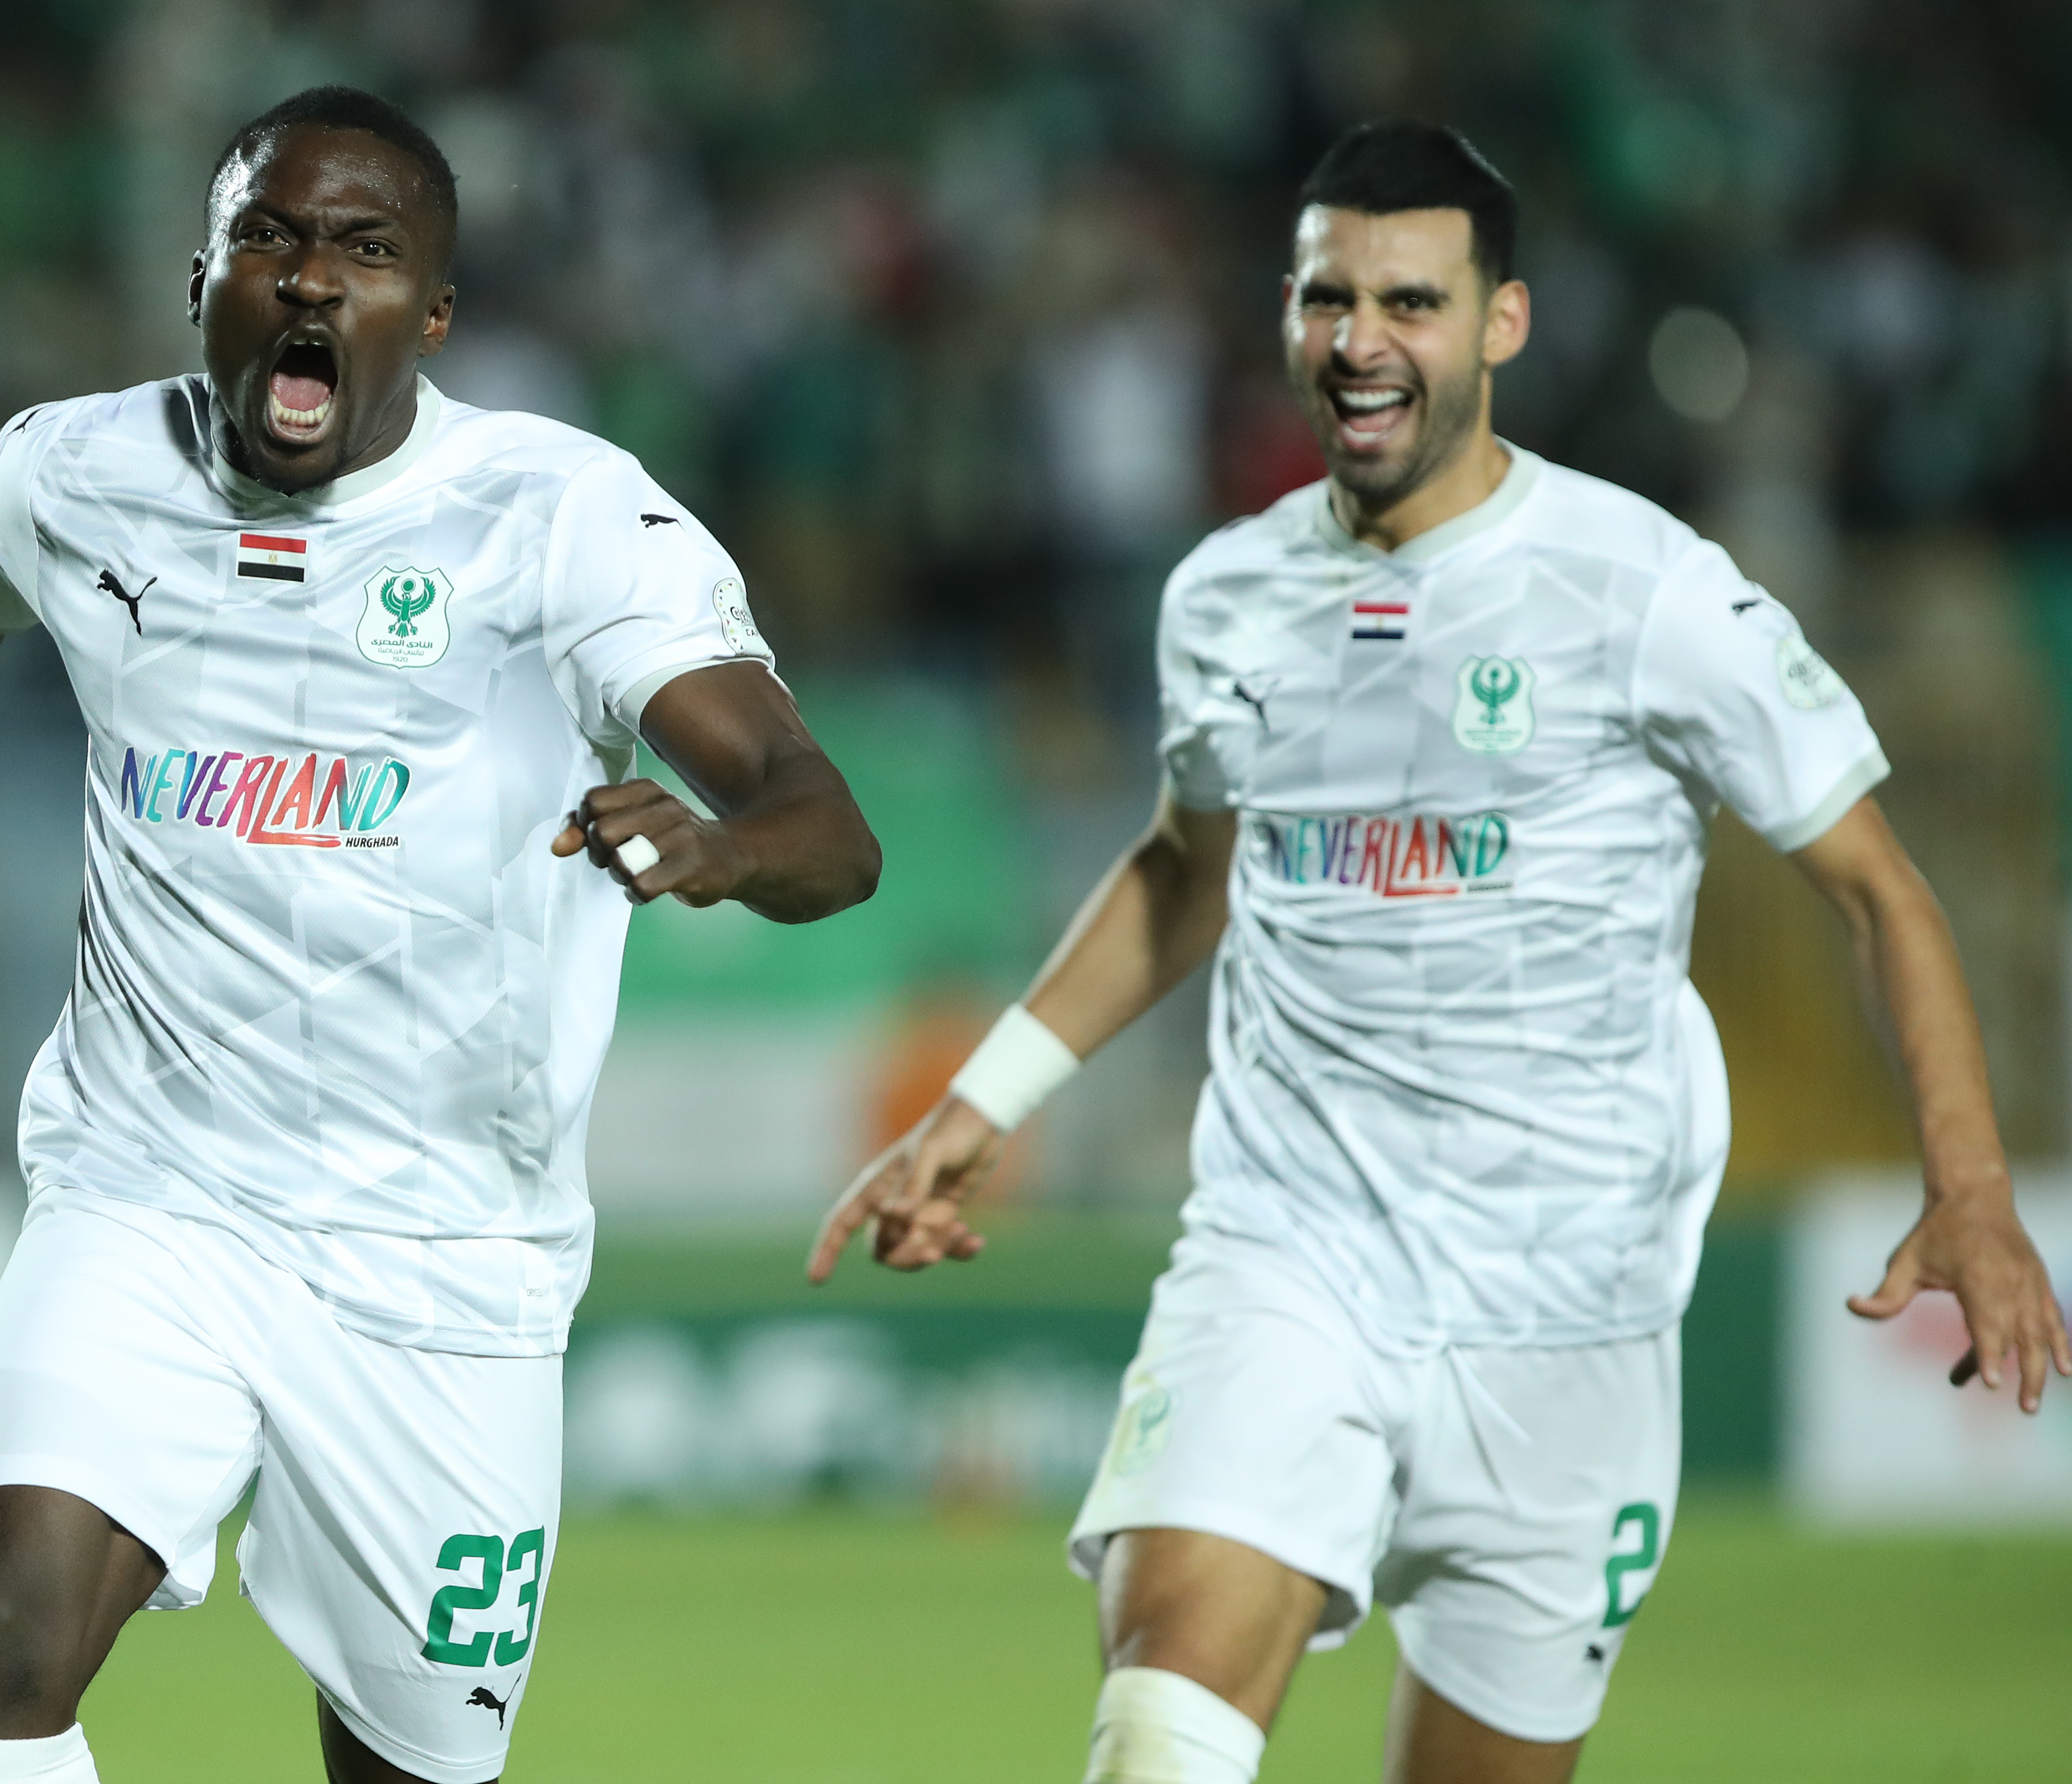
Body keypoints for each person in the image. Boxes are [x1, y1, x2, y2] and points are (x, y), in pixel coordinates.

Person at [810, 120, 2069, 1784]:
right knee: (1163, 1710)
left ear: (1501, 323)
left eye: (1411, 300)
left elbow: (1880, 889)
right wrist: (988, 1097)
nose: (1361, 340)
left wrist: (1972, 1188)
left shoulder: (1641, 590)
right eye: (1327, 297)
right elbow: (1184, 867)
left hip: (1569, 1311)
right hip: (1291, 1253)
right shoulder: (1226, 594)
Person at [0, 86, 879, 1784]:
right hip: (149, 1199)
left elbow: (827, 826)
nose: (310, 280)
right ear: (202, 281)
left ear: (432, 316)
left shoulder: (559, 520)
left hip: (445, 1261)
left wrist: (721, 844)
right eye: (269, 239)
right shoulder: (78, 473)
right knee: (2, 1635)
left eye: (365, 253)